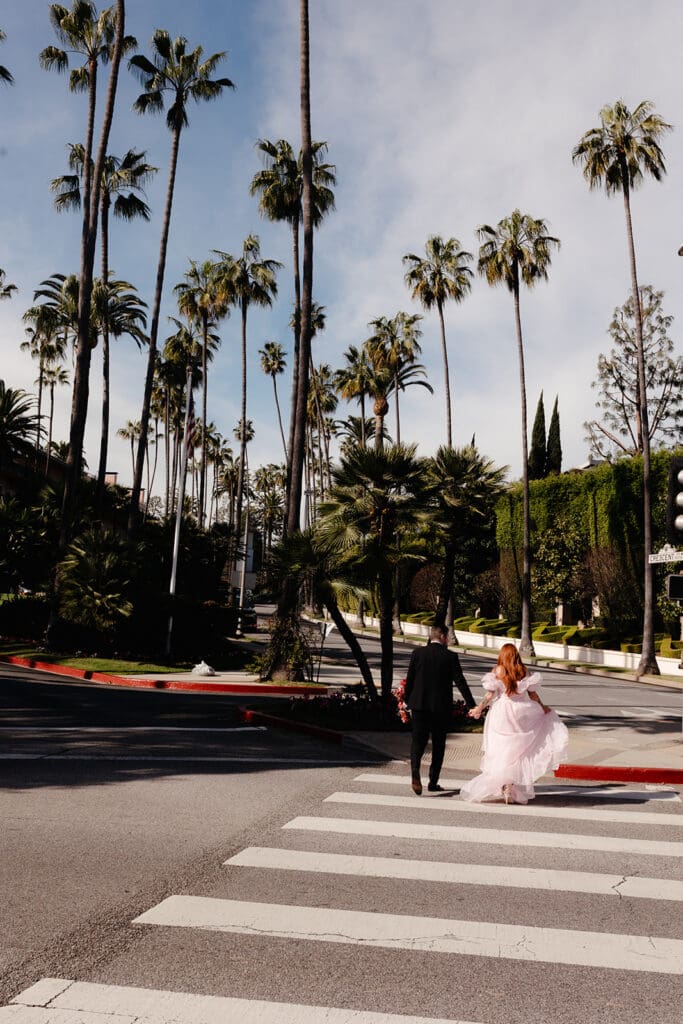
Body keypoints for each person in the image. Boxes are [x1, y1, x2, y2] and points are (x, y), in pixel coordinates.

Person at [459, 643, 569, 805]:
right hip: (522, 713)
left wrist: (478, 709)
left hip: (502, 713)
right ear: (516, 655)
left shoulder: (498, 671)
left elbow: (489, 696)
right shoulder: (523, 671)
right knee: (519, 750)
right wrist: (543, 707)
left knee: (501, 749)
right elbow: (533, 695)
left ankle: (505, 784)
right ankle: (509, 785)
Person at [404, 623, 475, 795]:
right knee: (438, 745)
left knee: (418, 741)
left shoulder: (417, 653)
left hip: (419, 705)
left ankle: (415, 772)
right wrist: (471, 704)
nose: (449, 640)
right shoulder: (450, 656)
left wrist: (407, 700)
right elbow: (460, 681)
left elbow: (410, 679)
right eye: (448, 637)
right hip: (440, 707)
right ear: (442, 636)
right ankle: (433, 781)